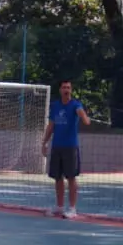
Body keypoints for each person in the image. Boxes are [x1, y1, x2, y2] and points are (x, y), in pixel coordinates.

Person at [43, 79, 89, 219]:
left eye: (68, 87)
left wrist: (84, 117)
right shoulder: (55, 106)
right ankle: (59, 206)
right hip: (57, 146)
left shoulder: (76, 105)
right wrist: (44, 142)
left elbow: (83, 117)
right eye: (64, 87)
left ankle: (72, 209)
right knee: (58, 178)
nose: (66, 90)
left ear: (71, 90)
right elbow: (51, 125)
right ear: (60, 90)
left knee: (71, 177)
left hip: (70, 147)